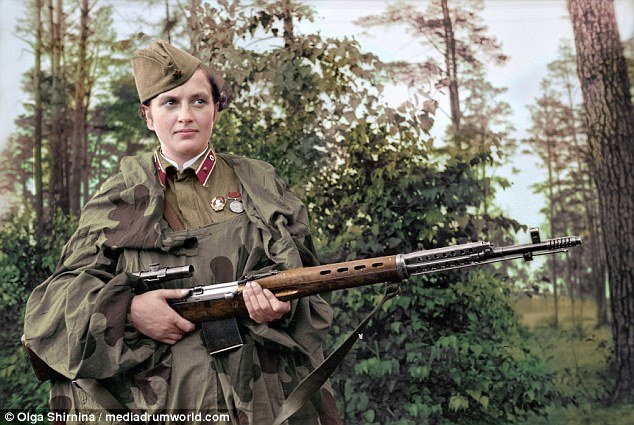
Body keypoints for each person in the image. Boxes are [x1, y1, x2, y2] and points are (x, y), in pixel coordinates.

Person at [24, 40, 341, 425]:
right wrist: (130, 311)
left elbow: (310, 285)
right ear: (148, 115)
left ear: (216, 109)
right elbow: (55, 303)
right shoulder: (119, 196)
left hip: (264, 399)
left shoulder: (260, 184)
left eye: (199, 101)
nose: (185, 116)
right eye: (170, 103)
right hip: (165, 403)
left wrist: (282, 306)